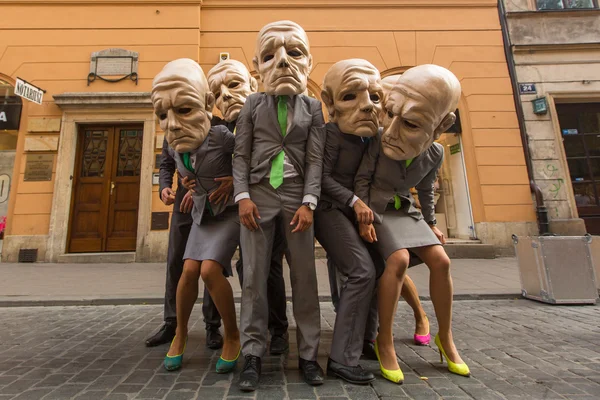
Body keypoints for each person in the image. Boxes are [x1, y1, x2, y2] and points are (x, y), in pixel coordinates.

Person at [355, 64, 470, 382]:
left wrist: (431, 223)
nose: (391, 130)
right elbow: (362, 179)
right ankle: (385, 340)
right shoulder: (378, 140)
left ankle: (445, 338)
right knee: (399, 259)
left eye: (410, 123)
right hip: (378, 212)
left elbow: (425, 192)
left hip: (407, 212)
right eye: (390, 114)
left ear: (440, 127)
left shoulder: (434, 154)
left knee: (441, 260)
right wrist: (362, 214)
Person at [233, 20, 326, 391]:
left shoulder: (314, 108)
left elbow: (316, 159)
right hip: (258, 195)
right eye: (270, 56)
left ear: (308, 62)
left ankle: (307, 356)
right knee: (254, 277)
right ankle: (252, 355)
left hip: (296, 197)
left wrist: (309, 201)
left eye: (294, 53)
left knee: (304, 277)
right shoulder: (252, 104)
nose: (283, 63)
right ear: (257, 66)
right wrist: (242, 197)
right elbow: (240, 156)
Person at [151, 58, 241, 374]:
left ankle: (230, 335)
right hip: (200, 211)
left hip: (228, 212)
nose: (172, 122)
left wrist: (234, 180)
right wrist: (183, 183)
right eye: (163, 114)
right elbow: (171, 165)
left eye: (184, 110)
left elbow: (250, 159)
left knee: (209, 271)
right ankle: (179, 334)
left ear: (203, 103)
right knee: (187, 269)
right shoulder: (173, 138)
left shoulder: (221, 134)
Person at [207, 60, 289, 354]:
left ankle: (278, 328)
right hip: (227, 208)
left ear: (253, 85)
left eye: (233, 85)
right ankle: (214, 326)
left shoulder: (269, 117)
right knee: (215, 263)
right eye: (217, 92)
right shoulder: (214, 129)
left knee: (270, 268)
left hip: (269, 201)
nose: (225, 96)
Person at [315, 59, 383, 384]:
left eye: (375, 97)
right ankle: (342, 358)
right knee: (361, 270)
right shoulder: (328, 135)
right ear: (331, 105)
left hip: (354, 211)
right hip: (327, 210)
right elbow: (320, 179)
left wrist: (362, 209)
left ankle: (365, 340)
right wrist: (355, 202)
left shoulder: (371, 138)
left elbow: (368, 178)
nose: (367, 106)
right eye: (350, 97)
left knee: (378, 266)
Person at [144, 135, 229, 350]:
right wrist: (164, 187)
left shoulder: (217, 127)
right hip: (183, 206)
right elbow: (166, 164)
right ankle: (171, 323)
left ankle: (212, 325)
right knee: (175, 262)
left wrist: (199, 187)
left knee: (211, 263)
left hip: (212, 203)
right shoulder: (171, 129)